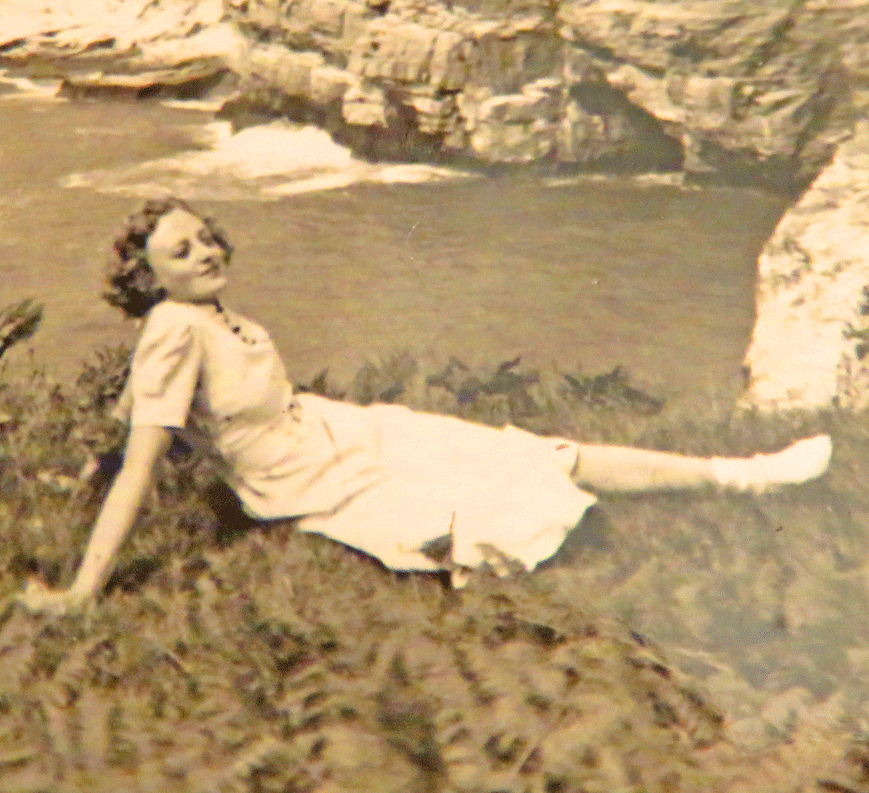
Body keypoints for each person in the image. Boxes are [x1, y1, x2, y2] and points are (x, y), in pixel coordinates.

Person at [17, 197, 833, 615]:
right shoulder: (172, 328)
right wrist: (85, 588)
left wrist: (82, 470)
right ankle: (737, 479)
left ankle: (743, 473)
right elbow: (146, 452)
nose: (206, 251)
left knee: (531, 449)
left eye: (205, 236)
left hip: (338, 432)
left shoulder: (201, 314)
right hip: (309, 481)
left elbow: (139, 422)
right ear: (149, 276)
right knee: (491, 508)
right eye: (182, 250)